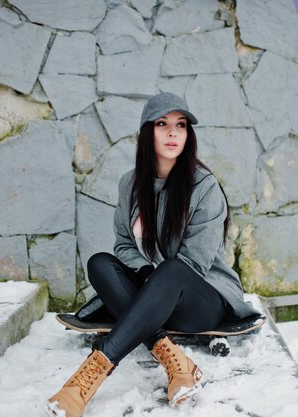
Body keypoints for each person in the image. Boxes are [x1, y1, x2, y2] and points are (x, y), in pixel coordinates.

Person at [45, 92, 259, 417]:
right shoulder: (130, 184)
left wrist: (155, 278)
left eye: (181, 125)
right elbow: (123, 245)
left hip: (200, 300)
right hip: (153, 298)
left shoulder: (204, 187)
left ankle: (84, 381)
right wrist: (146, 274)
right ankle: (176, 361)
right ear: (148, 131)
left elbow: (194, 264)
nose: (173, 133)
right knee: (100, 263)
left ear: (188, 134)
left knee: (172, 270)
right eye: (163, 124)